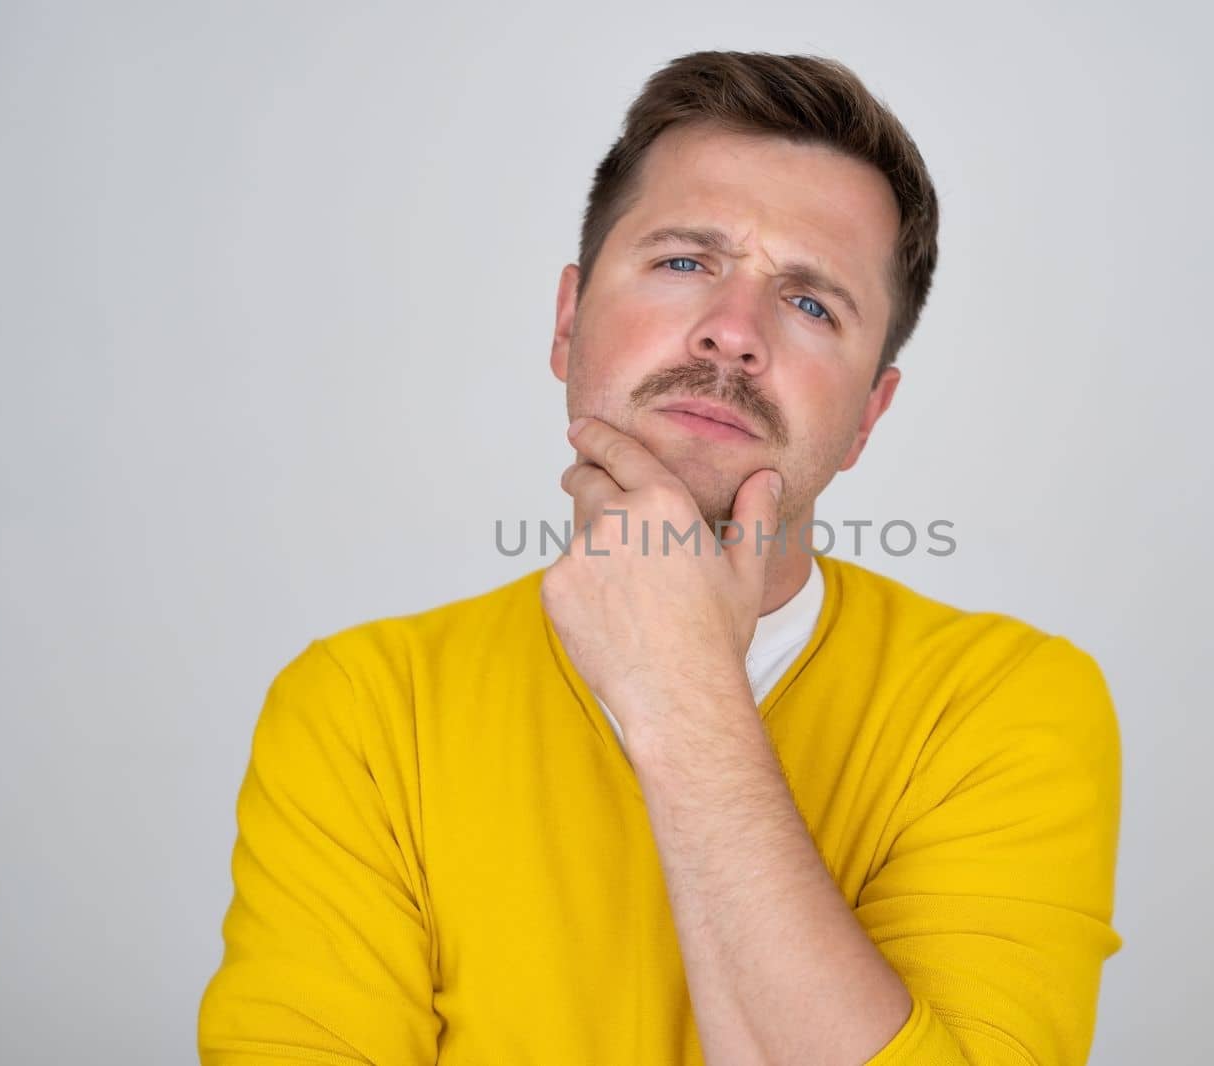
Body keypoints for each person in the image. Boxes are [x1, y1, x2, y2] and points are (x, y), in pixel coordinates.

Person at [198, 50, 1123, 1066]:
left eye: (811, 304)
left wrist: (682, 692)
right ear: (567, 322)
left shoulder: (1004, 704)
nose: (732, 334)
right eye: (685, 261)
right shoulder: (365, 709)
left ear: (867, 416)